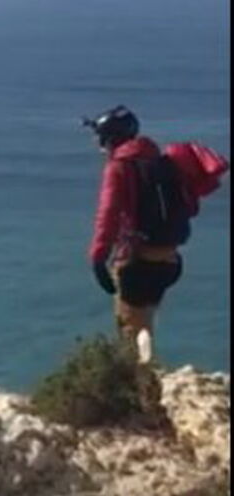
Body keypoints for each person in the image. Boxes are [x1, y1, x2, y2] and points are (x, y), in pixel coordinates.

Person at [82, 105, 228, 361]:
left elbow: (108, 215)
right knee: (145, 321)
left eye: (101, 139)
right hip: (169, 261)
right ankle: (145, 373)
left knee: (130, 331)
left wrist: (97, 258)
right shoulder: (167, 163)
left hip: (135, 262)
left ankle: (141, 385)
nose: (99, 145)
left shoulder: (119, 168)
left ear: (111, 140)